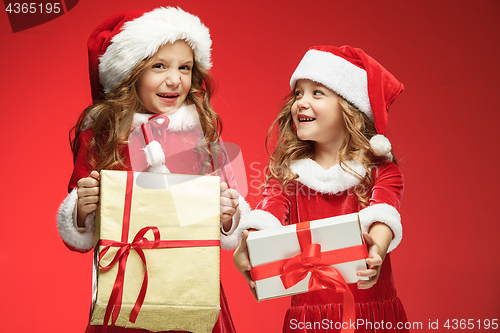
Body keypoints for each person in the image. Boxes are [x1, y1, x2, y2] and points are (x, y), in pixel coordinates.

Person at [57, 7, 249, 333]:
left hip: (191, 289)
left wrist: (228, 214)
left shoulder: (199, 133)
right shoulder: (101, 134)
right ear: (130, 72)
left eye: (184, 67)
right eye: (159, 66)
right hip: (126, 289)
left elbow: (226, 224)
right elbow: (80, 238)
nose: (175, 79)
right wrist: (81, 210)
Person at [232, 45, 408, 332]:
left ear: (350, 107)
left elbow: (383, 214)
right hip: (309, 321)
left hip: (371, 318)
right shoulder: (287, 177)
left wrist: (376, 248)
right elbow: (267, 216)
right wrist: (248, 245)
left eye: (317, 93)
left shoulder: (381, 171)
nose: (300, 102)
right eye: (298, 93)